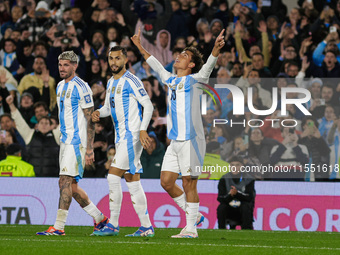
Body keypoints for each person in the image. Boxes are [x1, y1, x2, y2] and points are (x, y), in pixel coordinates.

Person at [131, 27, 225, 238]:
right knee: (166, 181)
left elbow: (209, 66)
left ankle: (191, 229)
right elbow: (154, 64)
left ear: (191, 64)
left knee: (189, 183)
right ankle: (196, 215)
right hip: (174, 142)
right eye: (179, 54)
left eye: (184, 56)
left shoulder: (197, 80)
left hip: (191, 140)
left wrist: (216, 49)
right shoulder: (171, 80)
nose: (178, 57)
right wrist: (139, 45)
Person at [36, 51, 108, 236]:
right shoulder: (60, 86)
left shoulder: (82, 87)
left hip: (77, 142)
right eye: (60, 65)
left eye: (66, 65)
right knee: (71, 186)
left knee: (65, 181)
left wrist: (90, 148)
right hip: (65, 141)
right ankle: (100, 220)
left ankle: (59, 227)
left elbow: (90, 118)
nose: (62, 68)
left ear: (75, 66)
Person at [91, 46, 155, 237]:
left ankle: (114, 224)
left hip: (132, 136)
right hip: (121, 138)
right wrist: (98, 112)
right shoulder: (110, 82)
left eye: (117, 58)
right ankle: (146, 227)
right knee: (132, 181)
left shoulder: (132, 80)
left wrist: (143, 130)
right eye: (111, 58)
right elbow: (108, 108)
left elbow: (148, 105)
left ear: (125, 59)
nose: (113, 62)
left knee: (112, 176)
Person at [217, 156, 255, 230]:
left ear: (242, 166)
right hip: (229, 206)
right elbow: (220, 198)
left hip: (243, 207)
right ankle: (221, 230)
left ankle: (246, 230)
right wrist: (231, 195)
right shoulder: (224, 179)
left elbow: (249, 197)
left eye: (237, 165)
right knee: (221, 207)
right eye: (232, 165)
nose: (235, 167)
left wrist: (237, 194)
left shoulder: (249, 179)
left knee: (246, 207)